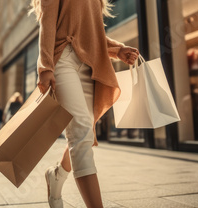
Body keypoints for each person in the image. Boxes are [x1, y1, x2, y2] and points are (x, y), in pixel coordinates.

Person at [29, 0, 139, 207]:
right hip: (63, 60)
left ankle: (57, 175)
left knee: (84, 134)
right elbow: (48, 24)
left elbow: (92, 33)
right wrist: (45, 67)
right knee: (81, 134)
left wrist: (118, 50)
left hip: (90, 63)